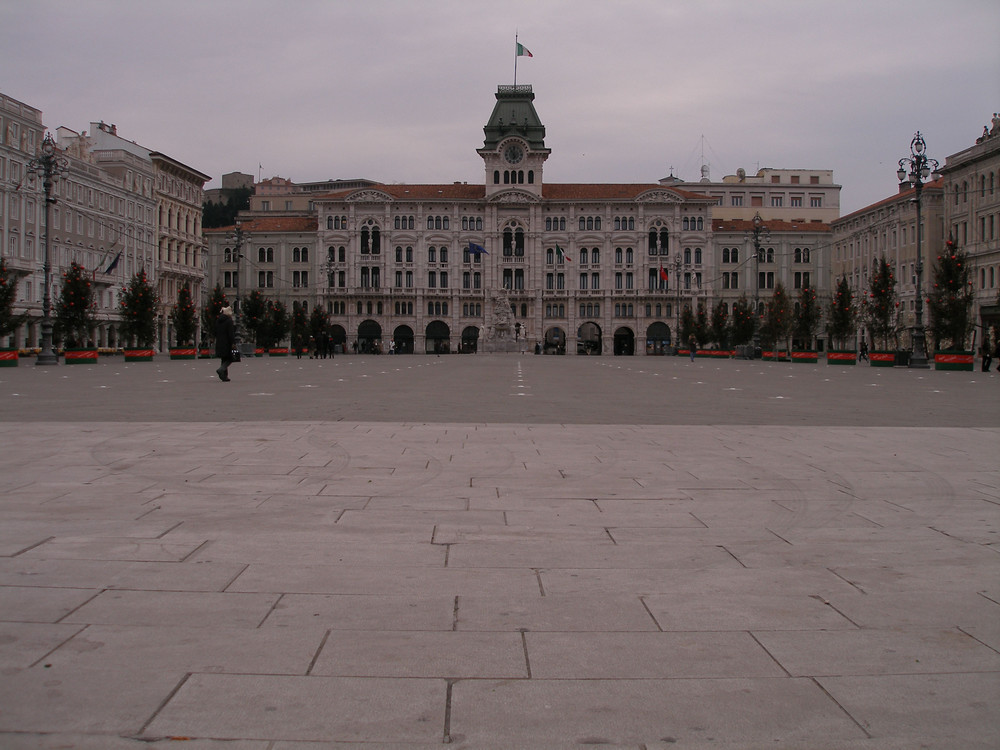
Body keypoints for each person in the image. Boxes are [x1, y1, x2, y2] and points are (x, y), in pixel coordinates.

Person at [214, 306, 236, 382]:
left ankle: (224, 376)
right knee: (231, 358)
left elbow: (215, 331)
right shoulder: (229, 321)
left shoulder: (218, 320)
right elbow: (231, 333)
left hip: (219, 342)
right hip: (227, 343)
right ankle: (221, 370)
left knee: (224, 359)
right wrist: (233, 342)